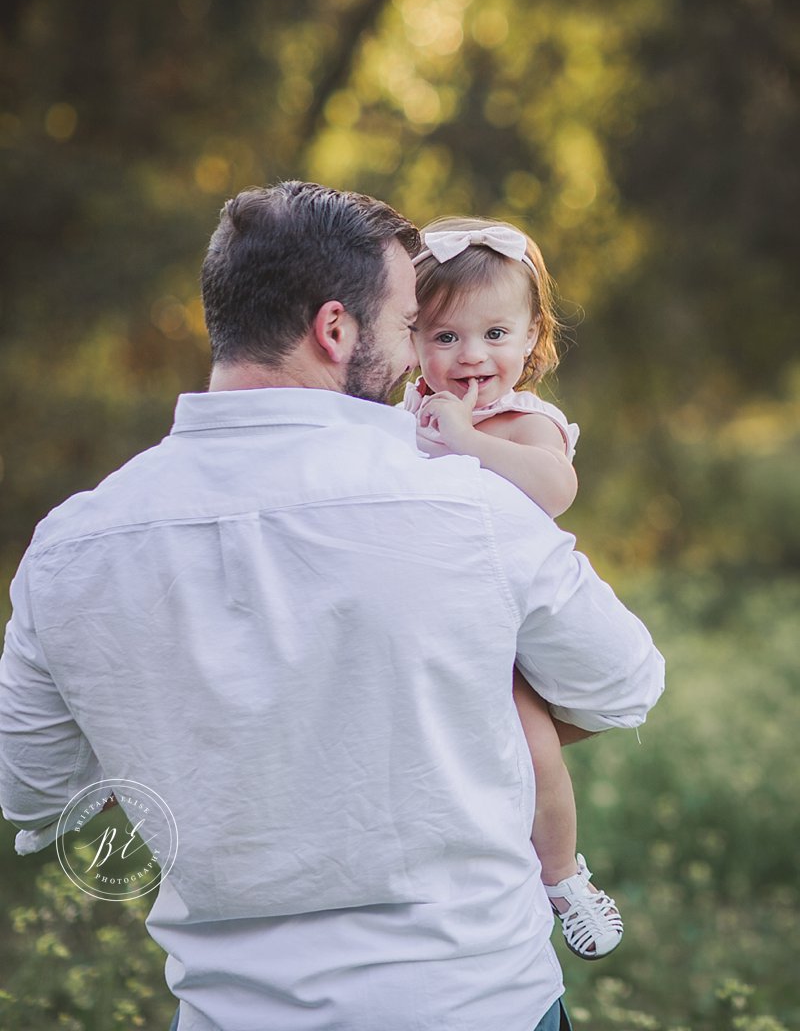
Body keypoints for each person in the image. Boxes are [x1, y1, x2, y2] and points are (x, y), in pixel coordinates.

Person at [0, 181, 665, 1031]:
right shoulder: (462, 499)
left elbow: (35, 793)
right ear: (335, 329)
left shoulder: (67, 549)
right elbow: (623, 685)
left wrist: (224, 747)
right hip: (472, 1003)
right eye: (407, 328)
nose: (423, 353)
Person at [403, 216, 623, 960]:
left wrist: (467, 438)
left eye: (496, 334)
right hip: (418, 621)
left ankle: (562, 877)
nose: (472, 357)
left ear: (533, 338)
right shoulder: (401, 415)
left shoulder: (524, 423)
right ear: (410, 343)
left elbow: (555, 491)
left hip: (501, 632)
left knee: (529, 744)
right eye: (445, 337)